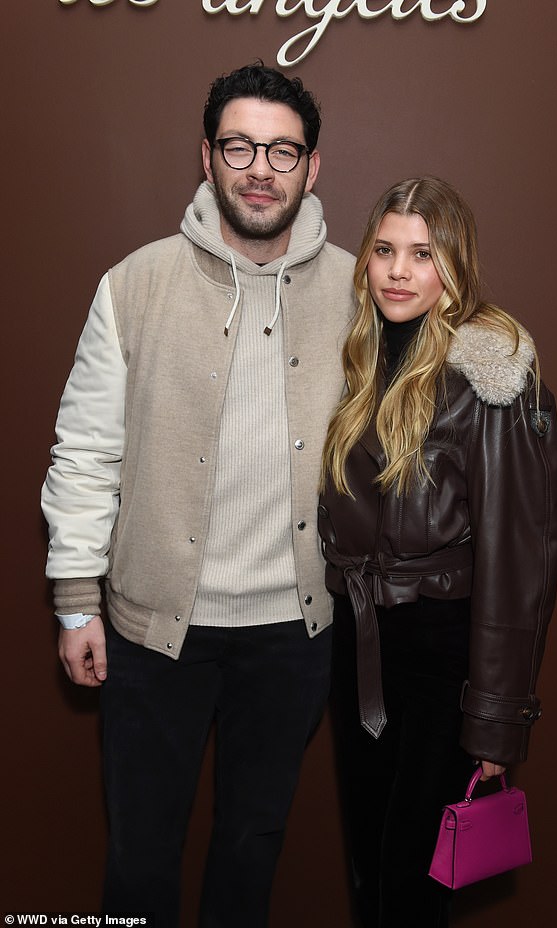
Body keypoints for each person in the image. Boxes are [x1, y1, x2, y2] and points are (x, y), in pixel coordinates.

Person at [41, 63, 355, 927]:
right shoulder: (132, 285)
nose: (261, 167)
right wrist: (75, 602)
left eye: (282, 150)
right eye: (241, 146)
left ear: (312, 167)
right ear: (208, 158)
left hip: (294, 633)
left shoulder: (360, 292)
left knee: (252, 848)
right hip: (153, 635)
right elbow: (85, 451)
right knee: (140, 856)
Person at [318, 176, 557, 927]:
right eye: (385, 250)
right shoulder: (359, 357)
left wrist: (494, 725)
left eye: (423, 254)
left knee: (410, 891)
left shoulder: (494, 376)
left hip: (443, 659)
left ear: (454, 264)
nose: (398, 270)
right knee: (369, 872)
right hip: (359, 652)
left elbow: (521, 561)